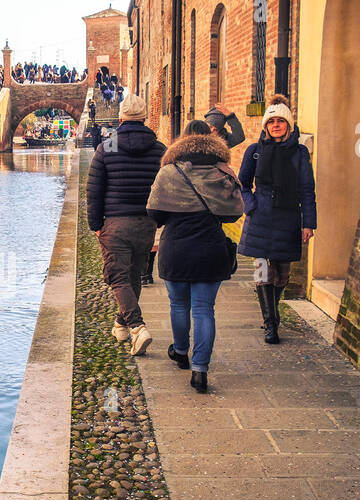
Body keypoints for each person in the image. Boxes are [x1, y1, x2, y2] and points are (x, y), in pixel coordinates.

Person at [147, 121, 245, 393]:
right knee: (204, 310)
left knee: (178, 304)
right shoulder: (223, 171)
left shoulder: (168, 172)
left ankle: (180, 352)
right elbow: (234, 213)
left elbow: (154, 214)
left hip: (176, 248)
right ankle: (200, 371)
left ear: (182, 141)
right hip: (210, 248)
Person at [86, 93, 165, 356]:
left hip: (115, 222)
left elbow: (94, 190)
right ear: (144, 118)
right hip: (146, 223)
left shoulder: (106, 147)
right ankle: (121, 324)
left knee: (117, 276)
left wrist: (96, 224)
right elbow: (165, 188)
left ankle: (137, 327)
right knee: (133, 275)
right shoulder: (159, 148)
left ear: (121, 118)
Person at [236, 94, 317, 344]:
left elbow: (307, 189)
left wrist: (308, 223)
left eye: (281, 121)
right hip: (260, 217)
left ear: (288, 125)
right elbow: (242, 184)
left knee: (282, 274)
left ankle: (273, 310)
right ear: (266, 126)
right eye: (272, 122)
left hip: (288, 217)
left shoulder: (300, 153)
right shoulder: (255, 151)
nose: (276, 125)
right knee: (262, 272)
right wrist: (251, 206)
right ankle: (271, 322)